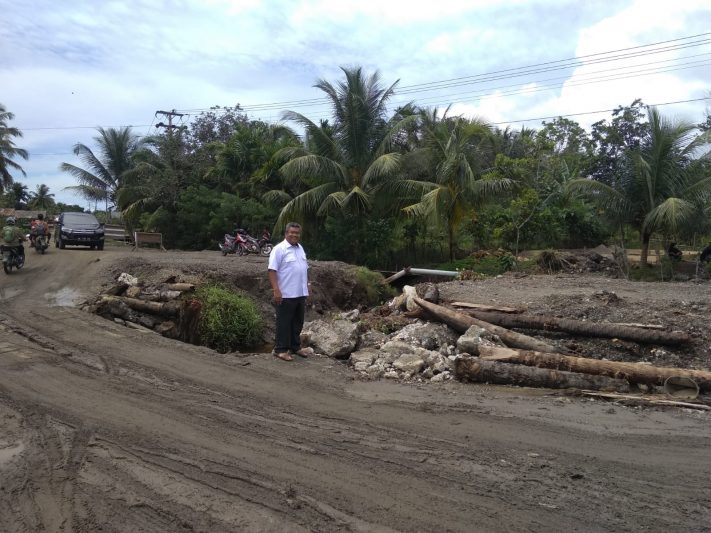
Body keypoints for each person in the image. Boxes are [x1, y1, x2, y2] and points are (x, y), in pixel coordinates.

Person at [268, 222, 311, 361]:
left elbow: (304, 268)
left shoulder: (300, 249)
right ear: (286, 233)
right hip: (286, 293)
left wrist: (307, 284)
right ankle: (280, 349)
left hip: (300, 292)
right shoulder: (279, 249)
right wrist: (276, 290)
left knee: (297, 322)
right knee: (284, 322)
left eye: (297, 233)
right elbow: (272, 270)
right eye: (292, 232)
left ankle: (295, 347)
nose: (294, 235)